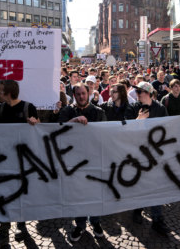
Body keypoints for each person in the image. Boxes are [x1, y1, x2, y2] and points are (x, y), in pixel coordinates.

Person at [0, 80, 39, 248]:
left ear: (8, 93)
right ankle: (3, 231)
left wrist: (35, 124)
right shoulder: (0, 110)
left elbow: (38, 132)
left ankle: (22, 226)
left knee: (22, 193)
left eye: (0, 91)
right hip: (5, 160)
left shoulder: (28, 107)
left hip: (24, 160)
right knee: (4, 194)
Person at [58, 83, 106, 242]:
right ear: (73, 95)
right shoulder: (66, 112)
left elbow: (107, 135)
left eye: (84, 93)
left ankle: (96, 222)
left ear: (89, 93)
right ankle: (80, 225)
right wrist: (74, 120)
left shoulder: (99, 112)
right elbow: (58, 132)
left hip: (94, 160)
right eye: (78, 94)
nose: (81, 97)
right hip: (74, 161)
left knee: (95, 192)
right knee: (78, 194)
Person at [130, 81, 170, 236]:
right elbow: (123, 130)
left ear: (149, 93)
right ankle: (137, 209)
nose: (138, 94)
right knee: (139, 184)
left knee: (156, 187)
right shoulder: (133, 107)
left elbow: (166, 128)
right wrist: (138, 121)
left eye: (141, 92)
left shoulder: (160, 108)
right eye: (137, 92)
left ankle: (157, 220)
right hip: (137, 153)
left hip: (155, 154)